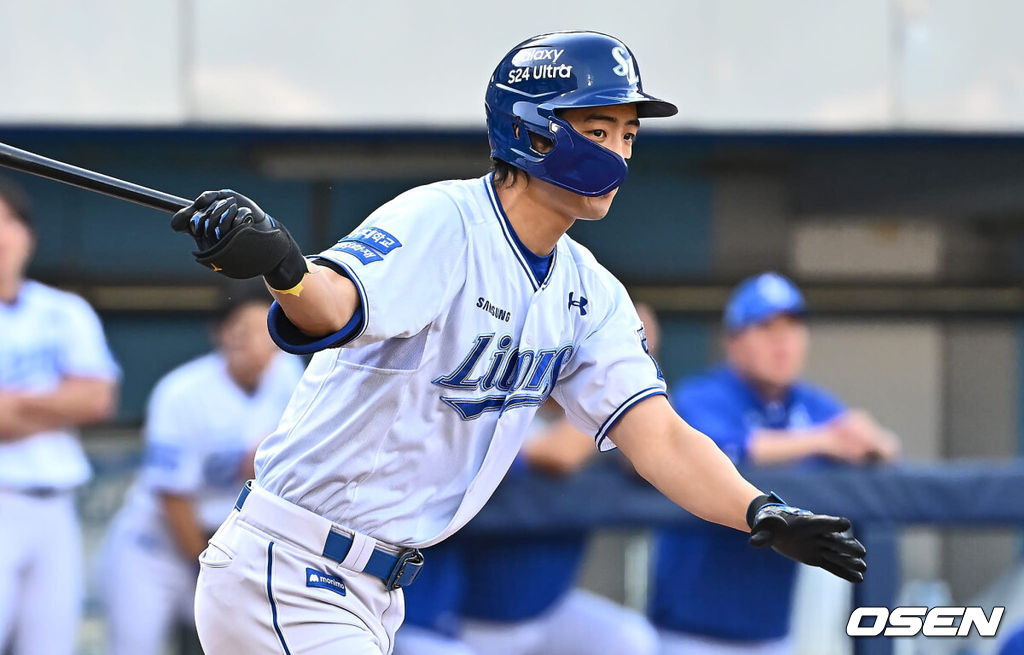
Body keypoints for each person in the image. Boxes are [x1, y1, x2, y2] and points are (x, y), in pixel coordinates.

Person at [170, 32, 866, 655]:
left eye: (627, 133)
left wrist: (758, 508)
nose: (620, 151)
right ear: (534, 134)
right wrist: (282, 266)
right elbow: (332, 304)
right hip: (290, 563)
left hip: (372, 586)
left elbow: (659, 437)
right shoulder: (443, 220)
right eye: (599, 128)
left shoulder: (589, 291)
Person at [649, 272, 897, 655]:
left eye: (793, 326)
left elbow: (880, 444)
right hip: (690, 631)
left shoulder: (810, 404)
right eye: (765, 327)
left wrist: (872, 442)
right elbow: (722, 446)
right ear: (733, 342)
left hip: (772, 632)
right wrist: (823, 441)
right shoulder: (703, 395)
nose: (783, 340)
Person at [99, 282, 304, 655]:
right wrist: (211, 569)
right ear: (222, 334)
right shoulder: (181, 392)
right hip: (156, 548)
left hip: (228, 545)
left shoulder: (289, 374)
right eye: (245, 332)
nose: (258, 345)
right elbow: (173, 497)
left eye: (266, 332)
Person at [457, 303, 662, 655]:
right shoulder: (503, 400)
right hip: (477, 617)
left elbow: (649, 458)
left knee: (630, 640)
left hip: (550, 608)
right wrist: (619, 389)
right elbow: (557, 455)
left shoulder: (594, 424)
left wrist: (634, 372)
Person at [0, 176, 120, 655]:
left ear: (27, 234)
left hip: (56, 506)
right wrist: (54, 402)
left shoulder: (64, 310)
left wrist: (15, 405)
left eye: (7, 221)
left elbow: (96, 400)